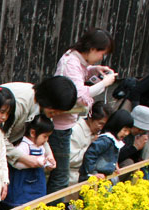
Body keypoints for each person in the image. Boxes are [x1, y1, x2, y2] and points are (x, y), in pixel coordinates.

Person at [51, 28, 117, 194]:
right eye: (102, 53)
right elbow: (79, 95)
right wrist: (105, 84)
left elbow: (76, 79)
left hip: (65, 123)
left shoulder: (74, 59)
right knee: (60, 176)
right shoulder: (71, 62)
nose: (102, 57)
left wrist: (93, 70)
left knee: (60, 175)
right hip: (60, 125)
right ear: (93, 49)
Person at [0, 77, 78, 167]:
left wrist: (48, 155)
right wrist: (24, 158)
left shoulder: (45, 108)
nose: (57, 114)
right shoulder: (21, 103)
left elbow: (42, 134)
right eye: (57, 110)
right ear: (50, 99)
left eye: (61, 112)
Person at [2, 114, 55, 210]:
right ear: (33, 133)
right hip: (22, 187)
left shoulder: (40, 146)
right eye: (45, 136)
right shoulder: (24, 145)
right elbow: (16, 164)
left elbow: (43, 158)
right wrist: (33, 162)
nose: (46, 140)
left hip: (37, 187)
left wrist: (48, 163)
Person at [79, 109, 134, 181]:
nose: (126, 134)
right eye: (125, 130)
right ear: (117, 126)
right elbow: (90, 154)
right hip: (95, 177)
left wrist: (114, 165)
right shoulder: (105, 141)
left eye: (129, 131)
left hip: (105, 176)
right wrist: (92, 173)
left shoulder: (114, 142)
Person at [70, 101, 108, 181]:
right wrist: (91, 146)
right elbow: (71, 160)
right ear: (90, 118)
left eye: (104, 125)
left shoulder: (99, 132)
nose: (101, 128)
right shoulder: (76, 130)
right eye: (100, 123)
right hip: (74, 177)